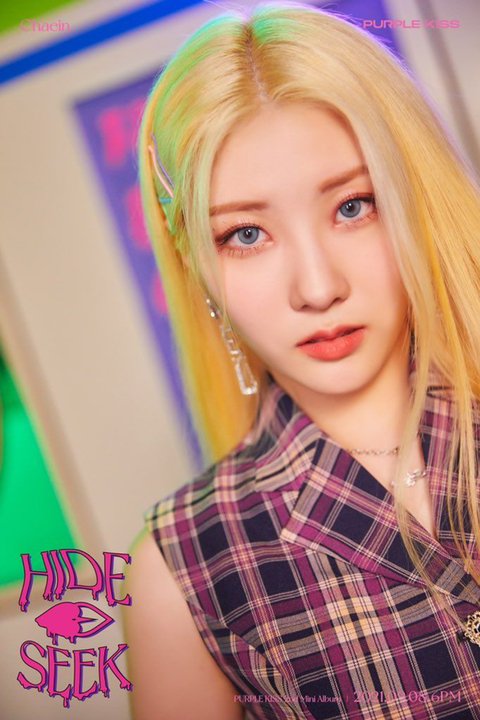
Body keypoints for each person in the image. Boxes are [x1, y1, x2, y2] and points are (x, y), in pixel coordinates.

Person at [122, 3, 480, 719]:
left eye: (353, 206)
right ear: (194, 263)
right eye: (246, 234)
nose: (317, 288)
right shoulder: (186, 573)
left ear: (416, 198)